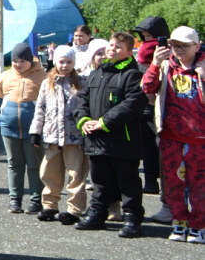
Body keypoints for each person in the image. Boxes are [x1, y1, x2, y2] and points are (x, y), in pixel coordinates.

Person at [73, 32, 148, 237]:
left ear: (128, 52)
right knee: (100, 181)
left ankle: (132, 218)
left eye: (118, 47)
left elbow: (133, 104)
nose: (112, 49)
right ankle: (97, 215)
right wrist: (84, 119)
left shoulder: (133, 74)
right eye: (111, 45)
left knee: (128, 182)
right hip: (96, 140)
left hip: (122, 140)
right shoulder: (97, 72)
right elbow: (82, 98)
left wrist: (105, 122)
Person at [142, 26, 205, 242]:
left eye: (184, 46)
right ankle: (179, 222)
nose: (178, 50)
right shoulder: (167, 65)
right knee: (173, 183)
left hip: (200, 140)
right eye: (174, 45)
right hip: (171, 137)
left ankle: (199, 225)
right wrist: (155, 63)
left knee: (200, 185)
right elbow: (147, 88)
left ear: (197, 46)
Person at [30, 45, 86, 225]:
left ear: (74, 63)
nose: (65, 65)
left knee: (76, 173)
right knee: (49, 172)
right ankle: (50, 205)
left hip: (74, 136)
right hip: (52, 136)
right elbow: (40, 108)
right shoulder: (48, 83)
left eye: (69, 62)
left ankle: (74, 209)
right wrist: (35, 131)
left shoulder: (82, 83)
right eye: (61, 62)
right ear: (55, 62)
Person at [0, 43, 47, 215]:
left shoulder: (43, 76)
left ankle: (35, 200)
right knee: (14, 163)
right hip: (9, 128)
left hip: (33, 129)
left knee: (34, 164)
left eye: (22, 61)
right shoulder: (5, 76)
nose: (18, 64)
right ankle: (14, 199)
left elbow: (48, 102)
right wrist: (6, 113)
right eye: (15, 60)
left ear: (31, 60)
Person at [133, 16, 169, 196]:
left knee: (162, 148)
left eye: (150, 36)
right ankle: (150, 181)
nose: (148, 41)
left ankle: (165, 186)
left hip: (166, 107)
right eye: (144, 37)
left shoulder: (172, 54)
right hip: (145, 105)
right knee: (147, 147)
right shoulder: (141, 55)